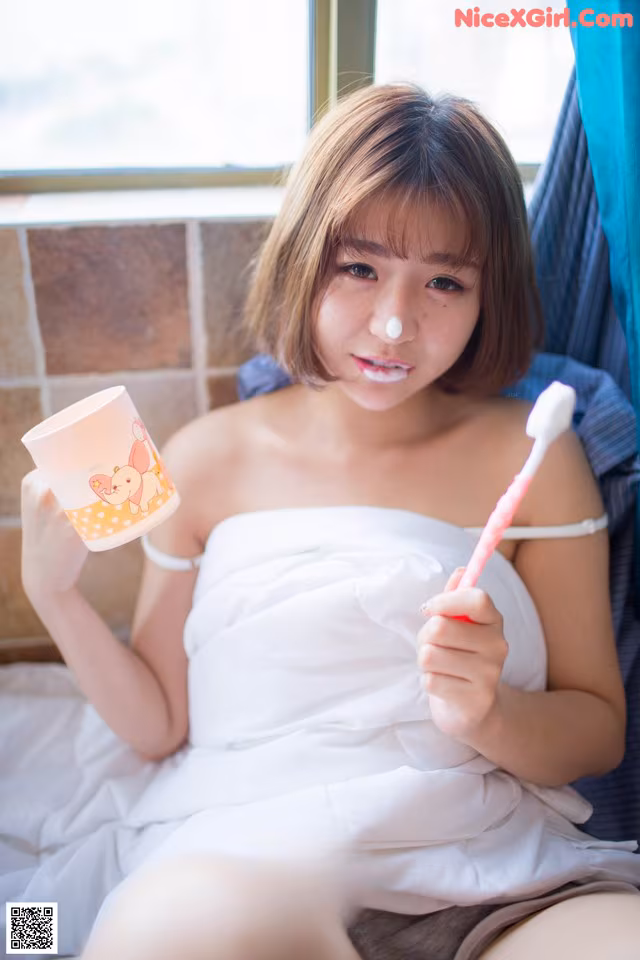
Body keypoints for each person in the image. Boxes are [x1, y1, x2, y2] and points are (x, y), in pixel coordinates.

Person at [20, 83, 640, 960]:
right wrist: (57, 598)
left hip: (497, 868)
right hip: (245, 856)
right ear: (303, 260)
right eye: (359, 269)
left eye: (443, 282)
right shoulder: (205, 459)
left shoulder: (537, 456)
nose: (394, 324)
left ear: (487, 294)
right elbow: (162, 725)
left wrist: (488, 714)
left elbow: (596, 732)